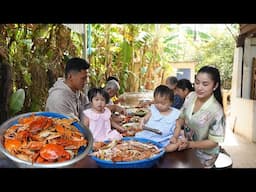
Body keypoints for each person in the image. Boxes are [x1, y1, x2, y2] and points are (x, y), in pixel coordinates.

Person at [165, 66, 226, 168]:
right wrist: (175, 135)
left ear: (215, 86)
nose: (199, 87)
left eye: (205, 84)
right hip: (186, 147)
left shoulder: (216, 111)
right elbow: (181, 118)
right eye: (197, 83)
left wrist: (190, 144)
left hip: (205, 156)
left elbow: (213, 142)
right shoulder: (191, 96)